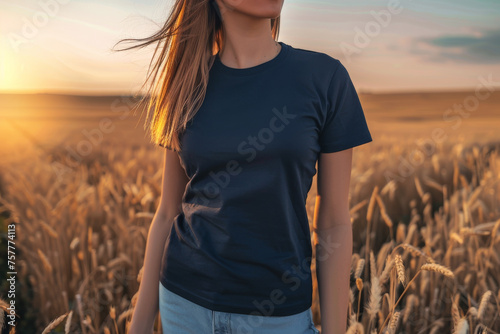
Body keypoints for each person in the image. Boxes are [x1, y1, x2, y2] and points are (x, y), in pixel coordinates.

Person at [116, 0, 373, 333]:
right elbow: (168, 212)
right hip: (183, 305)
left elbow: (334, 221)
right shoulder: (187, 82)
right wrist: (138, 326)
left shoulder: (324, 78)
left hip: (278, 317)